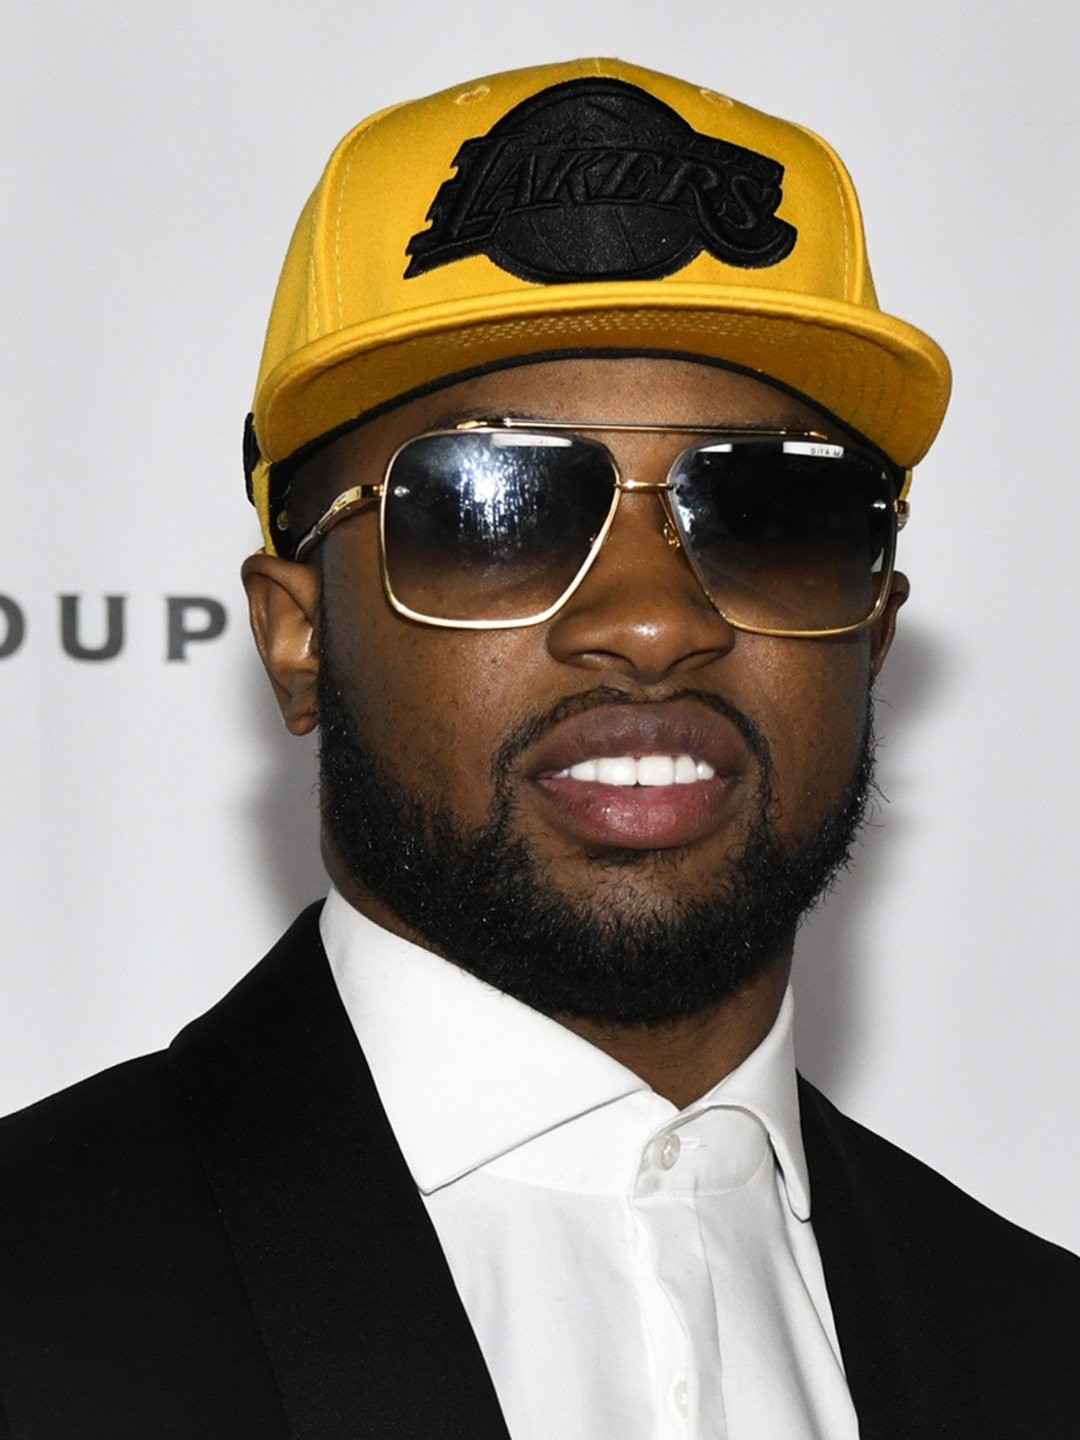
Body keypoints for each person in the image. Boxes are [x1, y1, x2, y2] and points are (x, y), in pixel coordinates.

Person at [0, 56, 1076, 1440]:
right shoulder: (36, 1294)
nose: (651, 620)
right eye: (489, 505)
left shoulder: (1039, 1347)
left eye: (772, 512)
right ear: (297, 637)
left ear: (873, 624)